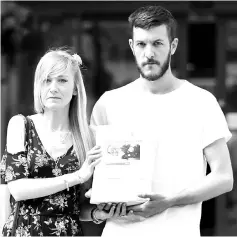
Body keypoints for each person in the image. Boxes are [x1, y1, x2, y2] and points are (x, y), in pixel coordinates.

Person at [90, 5, 234, 237]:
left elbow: (224, 177)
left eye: (157, 43)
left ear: (173, 46)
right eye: (141, 44)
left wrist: (170, 201)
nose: (149, 53)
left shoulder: (201, 102)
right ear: (132, 46)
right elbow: (92, 176)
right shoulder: (109, 103)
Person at [0, 48, 125, 236]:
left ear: (75, 88)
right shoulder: (21, 125)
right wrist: (77, 176)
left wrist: (97, 213)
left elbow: (75, 206)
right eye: (47, 80)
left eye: (62, 80)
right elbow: (17, 189)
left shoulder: (87, 137)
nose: (53, 88)